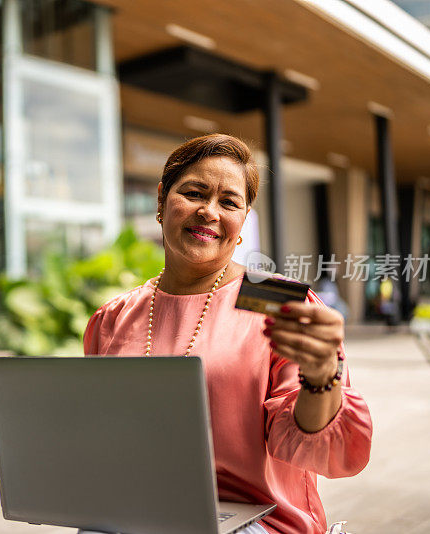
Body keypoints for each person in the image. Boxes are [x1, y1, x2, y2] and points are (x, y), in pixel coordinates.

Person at [83, 134, 372, 534]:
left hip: (256, 520)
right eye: (194, 192)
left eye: (229, 202)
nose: (209, 211)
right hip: (143, 509)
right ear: (161, 202)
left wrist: (322, 376)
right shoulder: (114, 317)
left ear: (242, 221)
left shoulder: (277, 302)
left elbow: (313, 449)